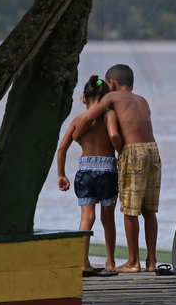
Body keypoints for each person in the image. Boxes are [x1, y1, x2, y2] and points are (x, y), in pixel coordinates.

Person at [69, 64, 161, 273]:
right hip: (153, 151)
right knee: (149, 210)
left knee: (130, 210)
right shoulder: (143, 100)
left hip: (133, 152)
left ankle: (133, 262)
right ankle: (151, 262)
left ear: (112, 83)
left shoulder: (112, 98)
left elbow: (91, 116)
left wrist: (75, 135)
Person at [57, 75, 122, 277]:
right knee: (107, 217)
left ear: (83, 99)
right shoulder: (109, 115)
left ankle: (84, 263)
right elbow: (113, 135)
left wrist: (61, 174)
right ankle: (110, 262)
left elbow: (62, 149)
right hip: (106, 171)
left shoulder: (78, 121)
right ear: (105, 98)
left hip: (84, 171)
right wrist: (121, 153)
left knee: (87, 217)